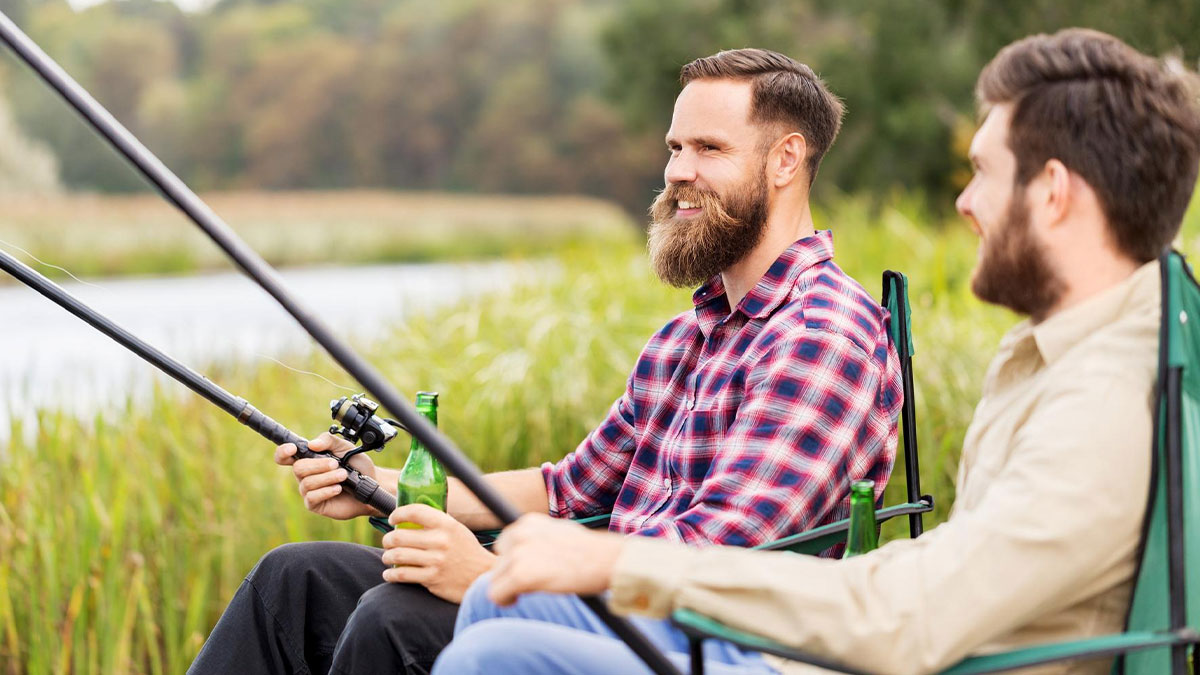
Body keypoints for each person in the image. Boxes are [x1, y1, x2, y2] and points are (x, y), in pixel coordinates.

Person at [434, 28, 1200, 675]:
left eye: (980, 172)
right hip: (881, 641)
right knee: (497, 613)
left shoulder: (1097, 405)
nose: (964, 203)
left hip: (887, 653)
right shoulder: (1061, 355)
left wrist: (618, 563)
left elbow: (915, 618)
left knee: (490, 653)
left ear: (1055, 194)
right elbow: (937, 576)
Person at [188, 48, 905, 675]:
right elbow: (566, 488)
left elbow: (714, 549)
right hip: (597, 601)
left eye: (709, 150)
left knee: (392, 618)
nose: (679, 172)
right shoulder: (687, 339)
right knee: (297, 576)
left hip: (693, 638)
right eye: (674, 147)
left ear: (785, 160)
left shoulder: (820, 333)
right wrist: (380, 486)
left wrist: (497, 575)